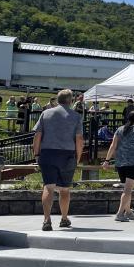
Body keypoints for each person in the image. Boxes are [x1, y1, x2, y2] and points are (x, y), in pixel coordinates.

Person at [32, 89, 84, 231]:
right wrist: (77, 157)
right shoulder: (76, 116)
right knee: (65, 189)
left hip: (47, 153)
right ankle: (64, 218)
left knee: (48, 187)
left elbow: (37, 135)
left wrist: (36, 154)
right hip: (67, 154)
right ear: (71, 101)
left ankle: (47, 220)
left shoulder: (46, 113)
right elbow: (79, 139)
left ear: (58, 99)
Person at [101, 110, 134, 222]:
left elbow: (113, 146)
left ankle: (128, 212)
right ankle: (120, 213)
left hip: (120, 163)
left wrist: (107, 160)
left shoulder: (120, 129)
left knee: (126, 188)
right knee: (128, 190)